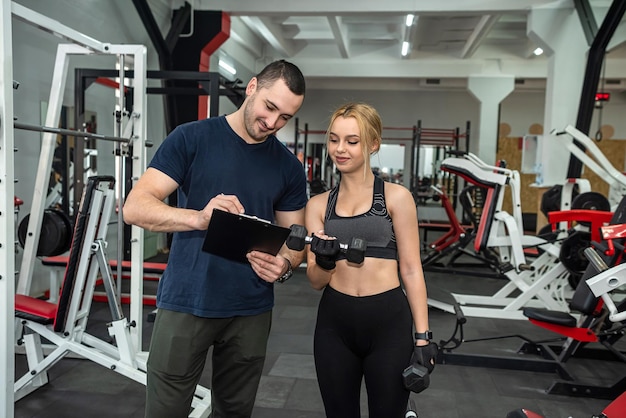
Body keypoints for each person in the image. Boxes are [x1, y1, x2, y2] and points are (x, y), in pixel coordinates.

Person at [122, 60, 308, 418]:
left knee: (234, 412)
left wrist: (285, 264)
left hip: (251, 307)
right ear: (252, 87)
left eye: (285, 117)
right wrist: (199, 218)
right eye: (270, 107)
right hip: (187, 299)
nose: (273, 123)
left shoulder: (287, 166)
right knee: (165, 409)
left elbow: (294, 239)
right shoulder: (191, 137)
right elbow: (135, 208)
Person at [304, 102, 436, 418]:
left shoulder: (396, 197)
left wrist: (423, 337)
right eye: (334, 139)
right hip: (335, 324)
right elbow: (315, 282)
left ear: (373, 143)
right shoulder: (318, 205)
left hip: (388, 323)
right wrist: (323, 262)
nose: (340, 149)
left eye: (352, 141)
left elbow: (411, 270)